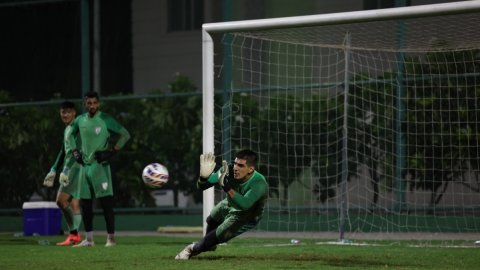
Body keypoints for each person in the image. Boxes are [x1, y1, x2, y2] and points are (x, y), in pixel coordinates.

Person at [175, 149, 268, 260]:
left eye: (241, 165)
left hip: (245, 216)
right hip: (229, 204)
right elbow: (201, 187)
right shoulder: (227, 169)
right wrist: (203, 178)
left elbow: (245, 204)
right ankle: (209, 244)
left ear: (250, 169)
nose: (235, 168)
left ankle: (191, 249)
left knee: (212, 239)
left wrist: (227, 187)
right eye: (235, 163)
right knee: (211, 220)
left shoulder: (259, 182)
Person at [66, 91, 131, 247]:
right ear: (85, 104)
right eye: (89, 103)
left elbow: (125, 134)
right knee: (86, 205)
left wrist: (111, 151)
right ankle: (89, 240)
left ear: (99, 104)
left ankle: (111, 239)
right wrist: (75, 152)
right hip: (85, 168)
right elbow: (70, 135)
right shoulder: (80, 120)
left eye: (95, 103)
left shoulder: (105, 119)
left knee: (106, 203)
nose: (92, 106)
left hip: (100, 167)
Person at [43, 101, 83, 246]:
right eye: (62, 112)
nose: (65, 114)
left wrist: (66, 169)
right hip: (69, 169)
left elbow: (76, 152)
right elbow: (62, 151)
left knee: (60, 200)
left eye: (68, 111)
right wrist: (53, 169)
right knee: (72, 202)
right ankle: (75, 235)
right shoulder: (67, 129)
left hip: (74, 168)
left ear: (74, 113)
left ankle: (74, 234)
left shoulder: (77, 129)